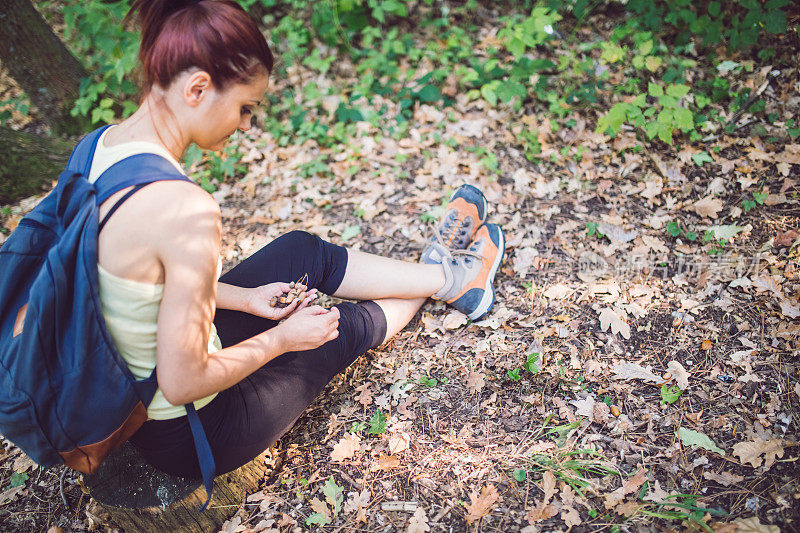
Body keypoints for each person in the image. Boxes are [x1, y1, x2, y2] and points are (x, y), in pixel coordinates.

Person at [89, 0, 506, 479]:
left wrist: (245, 299)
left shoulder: (102, 150)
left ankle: (448, 277)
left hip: (131, 382)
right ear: (199, 88)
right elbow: (182, 382)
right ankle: (445, 272)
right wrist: (281, 339)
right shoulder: (182, 210)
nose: (246, 124)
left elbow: (138, 285)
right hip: (191, 429)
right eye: (245, 108)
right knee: (331, 328)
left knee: (301, 252)